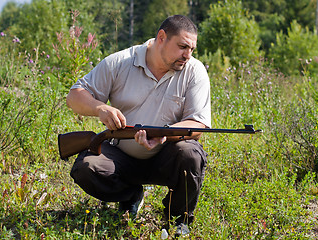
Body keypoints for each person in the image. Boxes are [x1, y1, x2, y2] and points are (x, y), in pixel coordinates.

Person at [66, 15, 211, 236]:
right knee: (86, 169)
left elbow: (197, 123)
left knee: (191, 154)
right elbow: (74, 96)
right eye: (182, 47)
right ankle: (130, 196)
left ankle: (177, 218)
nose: (187, 55)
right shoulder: (120, 62)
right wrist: (100, 109)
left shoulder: (194, 71)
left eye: (192, 49)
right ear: (161, 37)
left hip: (167, 154)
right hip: (119, 155)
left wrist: (164, 135)